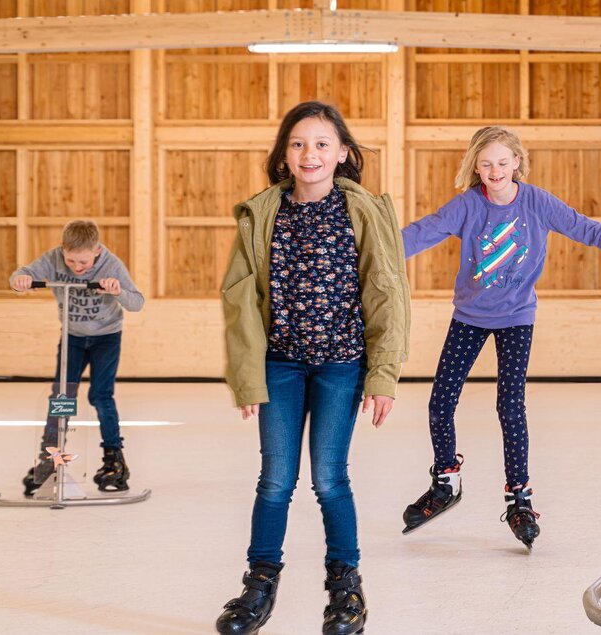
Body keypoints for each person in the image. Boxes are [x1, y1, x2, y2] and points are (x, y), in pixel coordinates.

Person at [398, 125, 601, 549]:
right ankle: (445, 481)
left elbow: (588, 229)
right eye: (485, 164)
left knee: (510, 405)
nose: (495, 171)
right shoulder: (468, 206)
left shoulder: (538, 203)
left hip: (517, 318)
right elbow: (420, 233)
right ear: (475, 167)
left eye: (503, 163)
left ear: (517, 163)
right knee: (441, 400)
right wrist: (368, 251)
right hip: (469, 317)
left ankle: (519, 498)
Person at [216, 101, 410, 635]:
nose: (310, 154)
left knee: (329, 479)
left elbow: (388, 295)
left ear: (342, 153)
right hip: (279, 365)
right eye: (298, 144)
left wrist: (383, 376)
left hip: (342, 366)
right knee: (275, 480)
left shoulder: (364, 212)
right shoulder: (263, 213)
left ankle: (345, 586)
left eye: (323, 144)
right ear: (283, 155)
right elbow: (239, 299)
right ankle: (259, 583)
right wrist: (247, 377)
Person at [10, 220, 144, 495]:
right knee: (63, 395)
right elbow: (20, 275)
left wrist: (117, 290)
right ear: (63, 250)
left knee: (100, 396)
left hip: (106, 337)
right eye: (71, 261)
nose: (77, 267)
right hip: (72, 336)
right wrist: (20, 281)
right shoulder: (54, 259)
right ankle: (51, 458)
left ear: (96, 251)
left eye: (83, 262)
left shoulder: (111, 264)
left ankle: (114, 459)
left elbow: (137, 302)